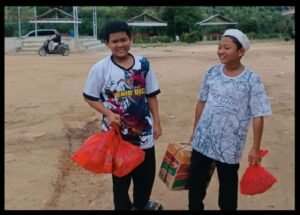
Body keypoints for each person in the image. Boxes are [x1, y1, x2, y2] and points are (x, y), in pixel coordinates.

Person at [188, 29, 272, 210]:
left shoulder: (251, 80)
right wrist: (195, 131)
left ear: (241, 52)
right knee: (196, 185)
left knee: (227, 189)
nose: (220, 51)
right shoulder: (211, 73)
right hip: (203, 140)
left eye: (226, 47)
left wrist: (255, 148)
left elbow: (258, 115)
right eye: (219, 47)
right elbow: (201, 103)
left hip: (229, 145)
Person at [83, 20, 162, 210]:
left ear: (131, 39)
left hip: (143, 134)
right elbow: (89, 97)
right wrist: (108, 113)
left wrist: (157, 123)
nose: (120, 45)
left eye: (124, 40)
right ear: (107, 44)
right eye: (115, 41)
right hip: (117, 137)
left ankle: (141, 204)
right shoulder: (100, 68)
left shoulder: (143, 64)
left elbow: (151, 96)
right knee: (120, 184)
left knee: (145, 179)